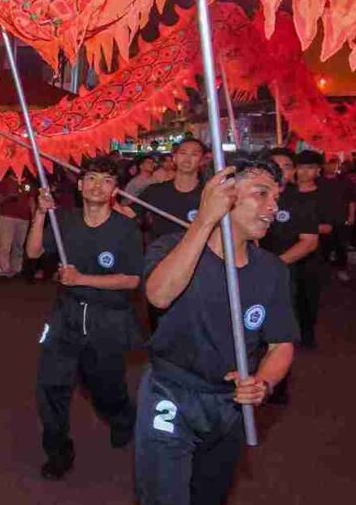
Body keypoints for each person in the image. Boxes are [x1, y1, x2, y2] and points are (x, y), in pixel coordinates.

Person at [137, 159, 297, 505]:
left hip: (228, 404)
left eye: (277, 197)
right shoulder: (170, 247)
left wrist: (263, 383)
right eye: (262, 194)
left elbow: (280, 344)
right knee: (164, 497)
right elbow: (159, 295)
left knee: (211, 496)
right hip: (171, 393)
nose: (274, 207)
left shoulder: (272, 271)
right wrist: (206, 219)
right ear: (223, 194)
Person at [25, 158, 142, 480]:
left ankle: (121, 418)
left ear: (115, 189)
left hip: (108, 319)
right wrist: (38, 214)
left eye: (106, 181)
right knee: (50, 386)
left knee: (105, 390)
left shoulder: (125, 229)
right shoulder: (64, 220)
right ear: (79, 184)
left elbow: (132, 279)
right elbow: (34, 252)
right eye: (90, 178)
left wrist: (83, 279)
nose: (96, 186)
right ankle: (58, 451)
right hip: (66, 316)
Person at [261, 149, 320, 362]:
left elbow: (309, 241)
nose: (279, 171)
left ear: (292, 171)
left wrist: (273, 264)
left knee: (292, 313)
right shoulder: (250, 197)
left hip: (292, 268)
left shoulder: (300, 200)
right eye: (274, 165)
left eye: (286, 166)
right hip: (255, 268)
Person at [140, 139, 205, 331]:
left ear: (202, 160)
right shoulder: (155, 192)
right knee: (160, 322)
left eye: (194, 154)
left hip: (199, 264)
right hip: (161, 264)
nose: (188, 158)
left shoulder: (209, 194)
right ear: (174, 158)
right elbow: (128, 214)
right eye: (183, 153)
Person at [0, 172, 35, 277]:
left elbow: (31, 200)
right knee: (5, 244)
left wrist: (34, 216)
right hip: (7, 217)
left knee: (19, 245)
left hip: (24, 218)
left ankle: (17, 268)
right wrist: (8, 198)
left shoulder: (28, 183)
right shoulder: (4, 182)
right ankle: (5, 268)